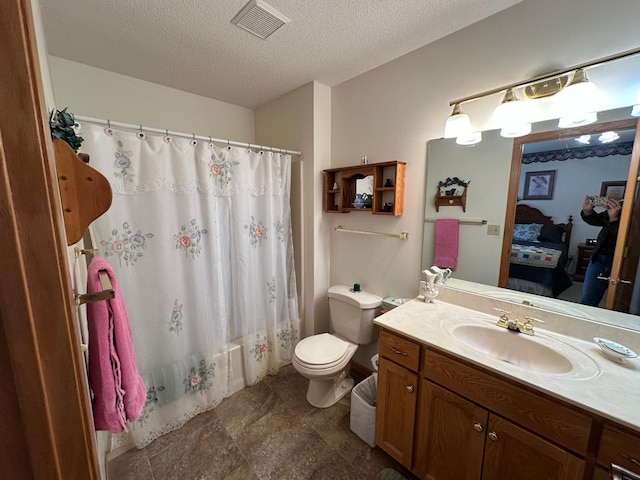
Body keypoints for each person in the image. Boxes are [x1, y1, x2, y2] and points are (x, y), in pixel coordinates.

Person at [579, 195, 622, 306]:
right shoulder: (621, 206)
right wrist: (587, 211)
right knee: (588, 300)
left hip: (620, 262)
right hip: (598, 258)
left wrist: (613, 220)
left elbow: (625, 238)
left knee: (618, 305)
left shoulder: (634, 211)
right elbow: (597, 220)